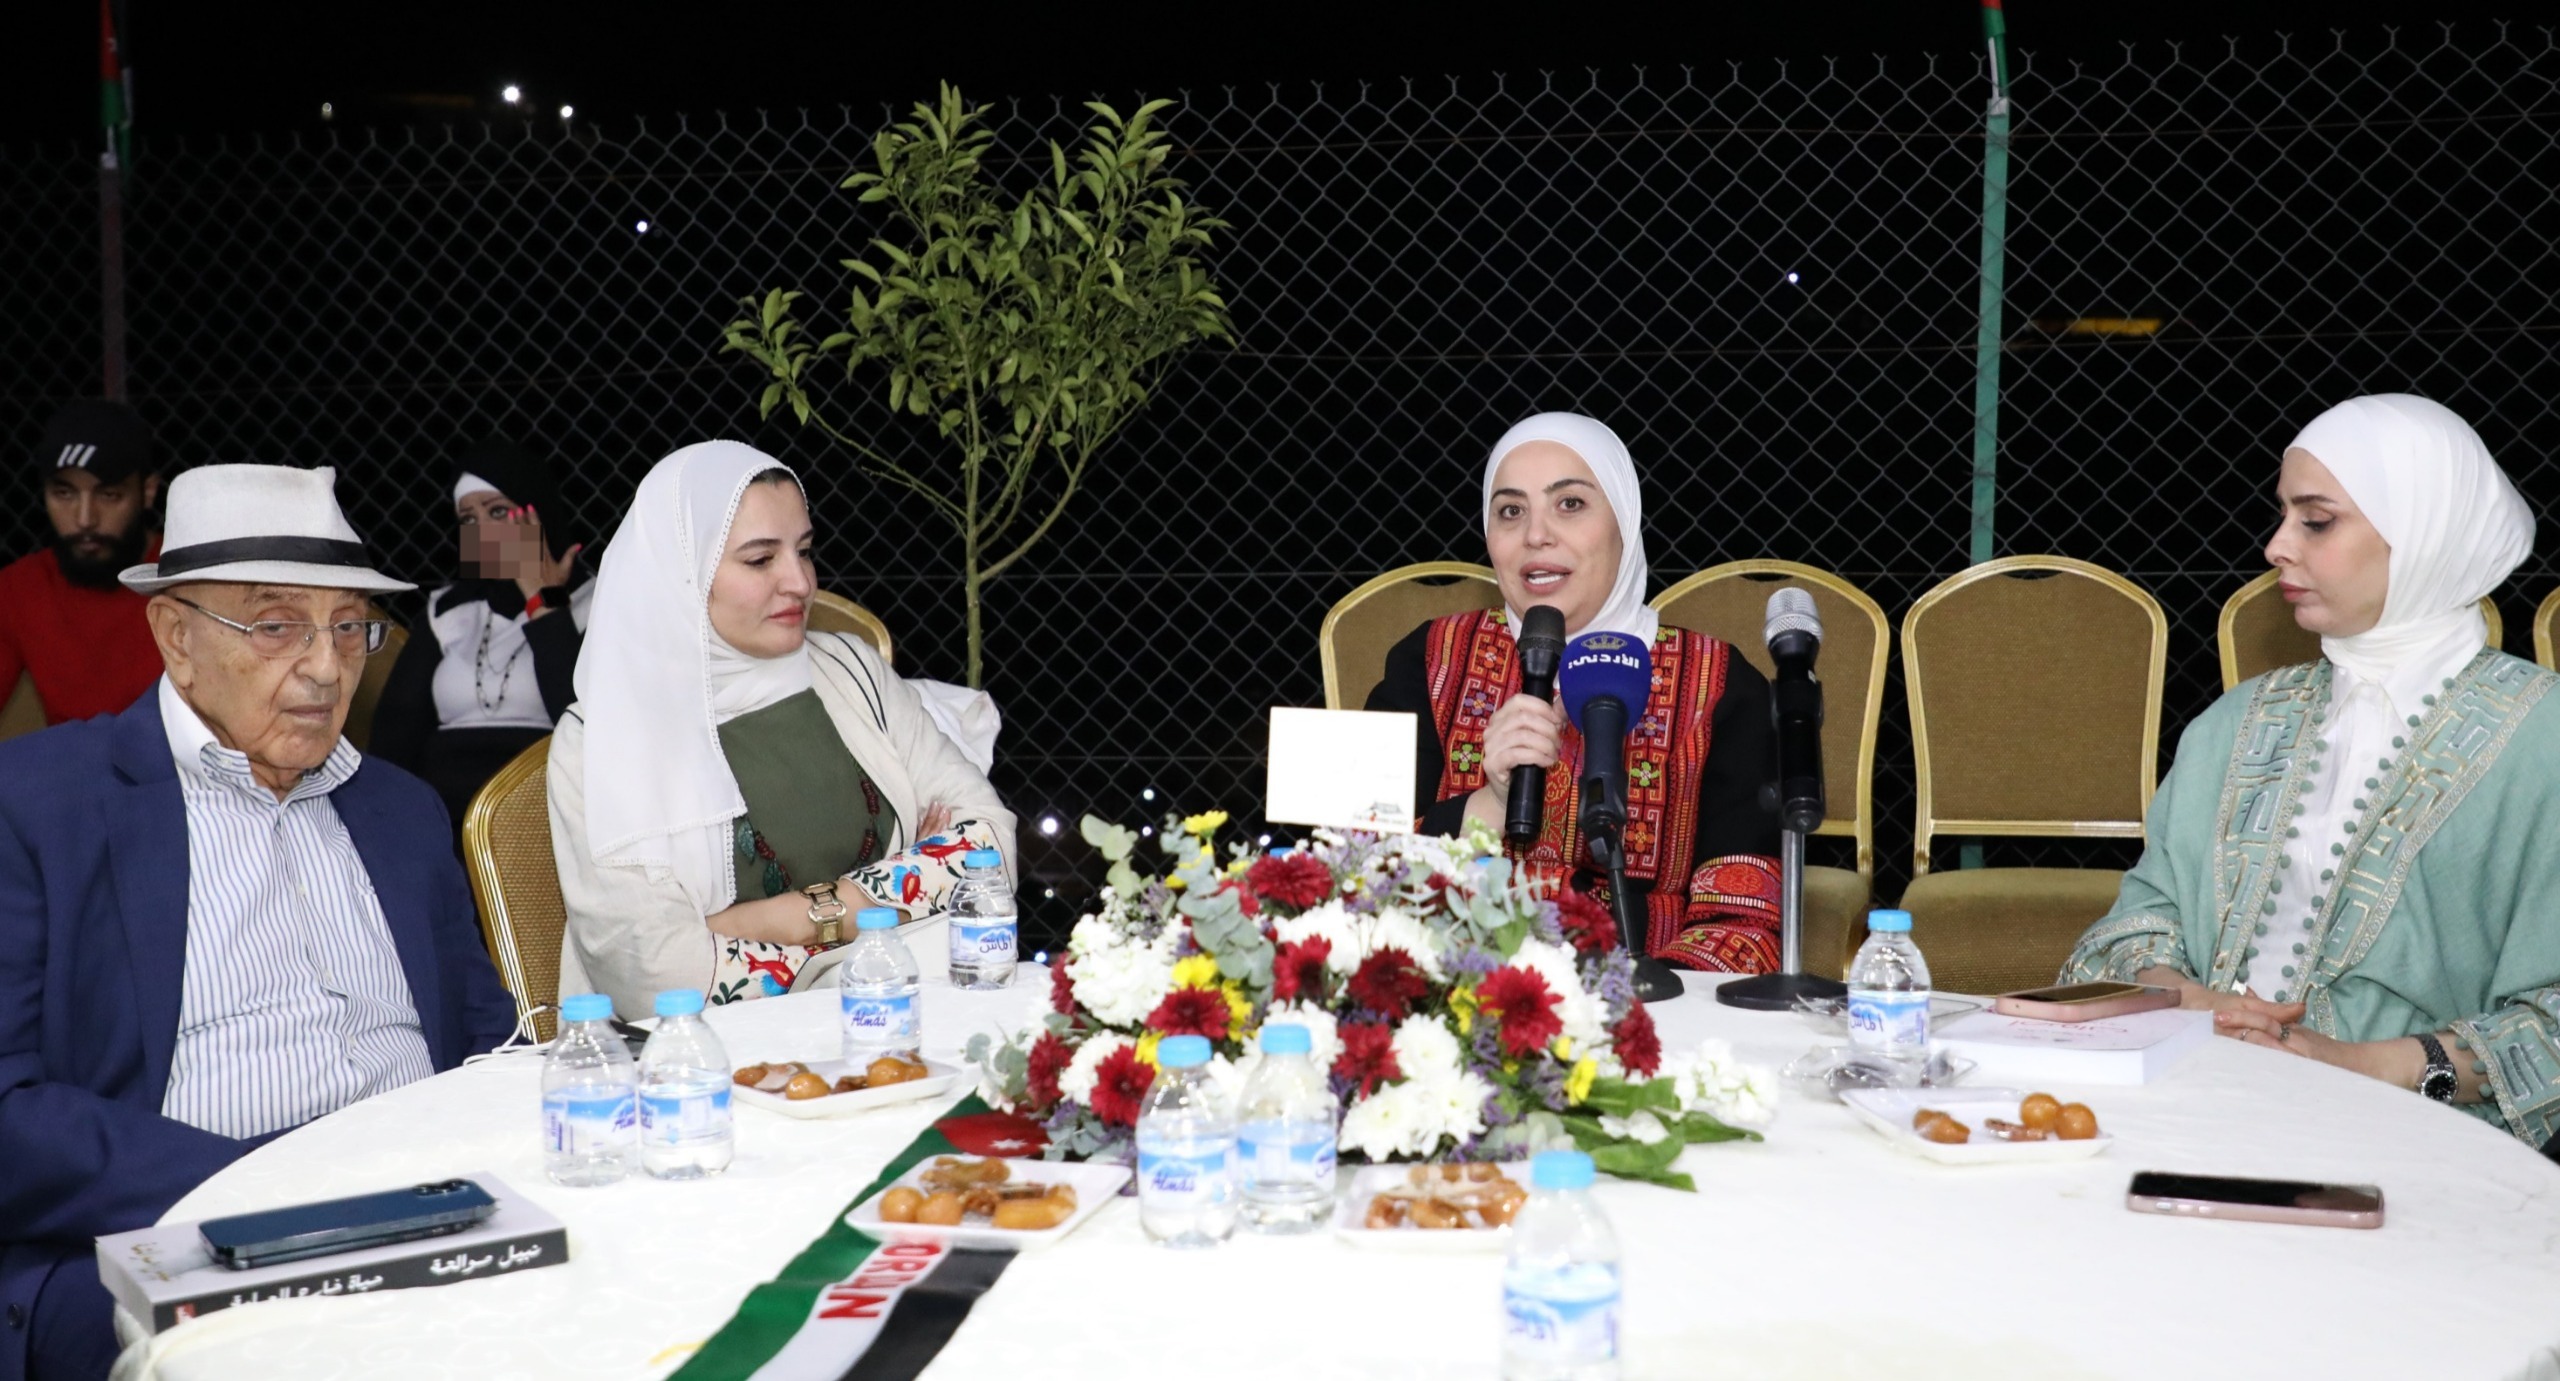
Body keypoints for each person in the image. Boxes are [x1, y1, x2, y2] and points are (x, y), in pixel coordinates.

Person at [0, 463, 519, 1381]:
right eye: (278, 625)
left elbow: (488, 1038)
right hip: (176, 1231)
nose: (326, 668)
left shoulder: (400, 809)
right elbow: (12, 1109)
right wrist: (276, 1181)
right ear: (177, 636)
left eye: (349, 627)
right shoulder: (42, 804)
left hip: (426, 1211)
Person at [2063, 394, 2560, 1147]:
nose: (2276, 547)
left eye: (2317, 521)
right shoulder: (2237, 722)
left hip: (2417, 1139)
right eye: (2283, 516)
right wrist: (2185, 1001)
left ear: (2423, 532)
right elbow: (2134, 927)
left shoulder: (2540, 737)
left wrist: (2354, 1064)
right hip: (2193, 1094)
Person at [547, 441, 1017, 1016]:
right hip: (711, 1057)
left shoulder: (851, 670)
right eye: (760, 560)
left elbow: (991, 847)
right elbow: (659, 977)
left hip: (898, 1014)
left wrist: (777, 921)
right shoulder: (600, 740)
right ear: (682, 575)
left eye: (805, 551)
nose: (799, 582)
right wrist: (900, 900)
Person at [1365, 412, 1782, 971]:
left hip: (1652, 998)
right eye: (1511, 510)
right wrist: (1488, 806)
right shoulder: (1431, 659)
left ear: (1624, 522)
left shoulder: (1718, 683)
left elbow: (1744, 922)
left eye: (1570, 504)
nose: (1536, 535)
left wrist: (1633, 1002)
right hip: (1459, 987)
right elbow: (1358, 876)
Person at [369, 437, 593, 825]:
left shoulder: (594, 601)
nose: (484, 531)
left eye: (499, 512)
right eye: (469, 520)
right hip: (444, 811)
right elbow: (394, 738)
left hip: (545, 808)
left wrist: (543, 600)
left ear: (537, 512)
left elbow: (581, 720)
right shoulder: (449, 610)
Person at [0, 401, 167, 726]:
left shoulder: (189, 578)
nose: (85, 519)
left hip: (181, 759)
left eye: (109, 495)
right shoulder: (19, 589)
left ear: (147, 491)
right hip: (72, 758)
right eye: (65, 494)